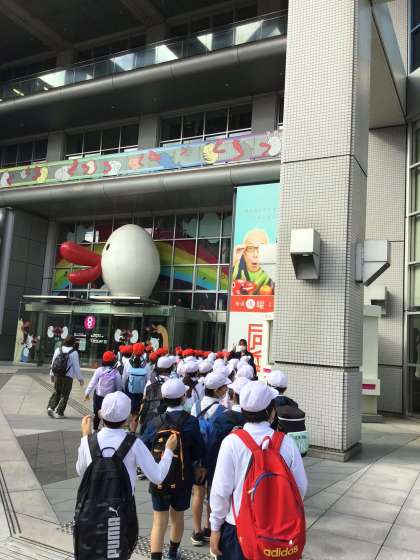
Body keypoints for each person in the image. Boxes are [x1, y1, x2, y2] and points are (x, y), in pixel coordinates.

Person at [209, 381, 307, 559]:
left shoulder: (231, 442)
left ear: (243, 410)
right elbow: (300, 486)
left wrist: (215, 528)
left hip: (237, 528)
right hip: (280, 531)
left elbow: (220, 491)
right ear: (272, 411)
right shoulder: (287, 443)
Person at [141, 378, 205, 560]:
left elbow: (144, 445)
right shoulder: (191, 422)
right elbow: (199, 449)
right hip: (182, 479)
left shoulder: (155, 422)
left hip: (158, 478)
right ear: (183, 397)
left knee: (158, 522)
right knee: (177, 518)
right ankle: (173, 554)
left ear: (163, 398)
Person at [76, 390, 177, 497]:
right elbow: (157, 477)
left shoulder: (88, 440)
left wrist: (85, 438)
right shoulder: (134, 443)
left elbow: (81, 471)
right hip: (123, 504)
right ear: (127, 419)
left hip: (93, 504)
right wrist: (169, 450)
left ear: (101, 414)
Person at [190, 371, 229, 547]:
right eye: (224, 387)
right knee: (212, 494)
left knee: (198, 493)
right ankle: (209, 528)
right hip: (214, 458)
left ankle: (196, 531)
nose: (226, 389)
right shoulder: (223, 411)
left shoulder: (196, 406)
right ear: (217, 390)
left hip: (197, 457)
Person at [206, 377, 249, 487]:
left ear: (233, 395)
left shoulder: (222, 418)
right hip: (247, 472)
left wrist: (206, 466)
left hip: (221, 469)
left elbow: (213, 444)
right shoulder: (253, 420)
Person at [84, 351, 122, 431]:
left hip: (98, 396)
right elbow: (119, 387)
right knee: (108, 414)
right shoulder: (116, 372)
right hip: (109, 397)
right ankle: (106, 430)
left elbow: (92, 382)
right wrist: (118, 396)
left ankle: (94, 429)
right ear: (113, 361)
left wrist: (87, 393)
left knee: (97, 413)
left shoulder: (99, 370)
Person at [48, 335, 84, 419]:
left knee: (57, 392)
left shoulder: (58, 350)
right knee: (65, 395)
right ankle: (59, 412)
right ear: (73, 343)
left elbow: (53, 363)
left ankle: (51, 407)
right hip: (68, 377)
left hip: (57, 375)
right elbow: (76, 367)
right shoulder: (74, 352)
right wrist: (80, 379)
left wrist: (51, 374)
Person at [231, 229, 274, 295]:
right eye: (250, 248)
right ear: (244, 252)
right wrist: (233, 262)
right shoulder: (236, 268)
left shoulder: (271, 270)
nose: (255, 255)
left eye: (261, 248)